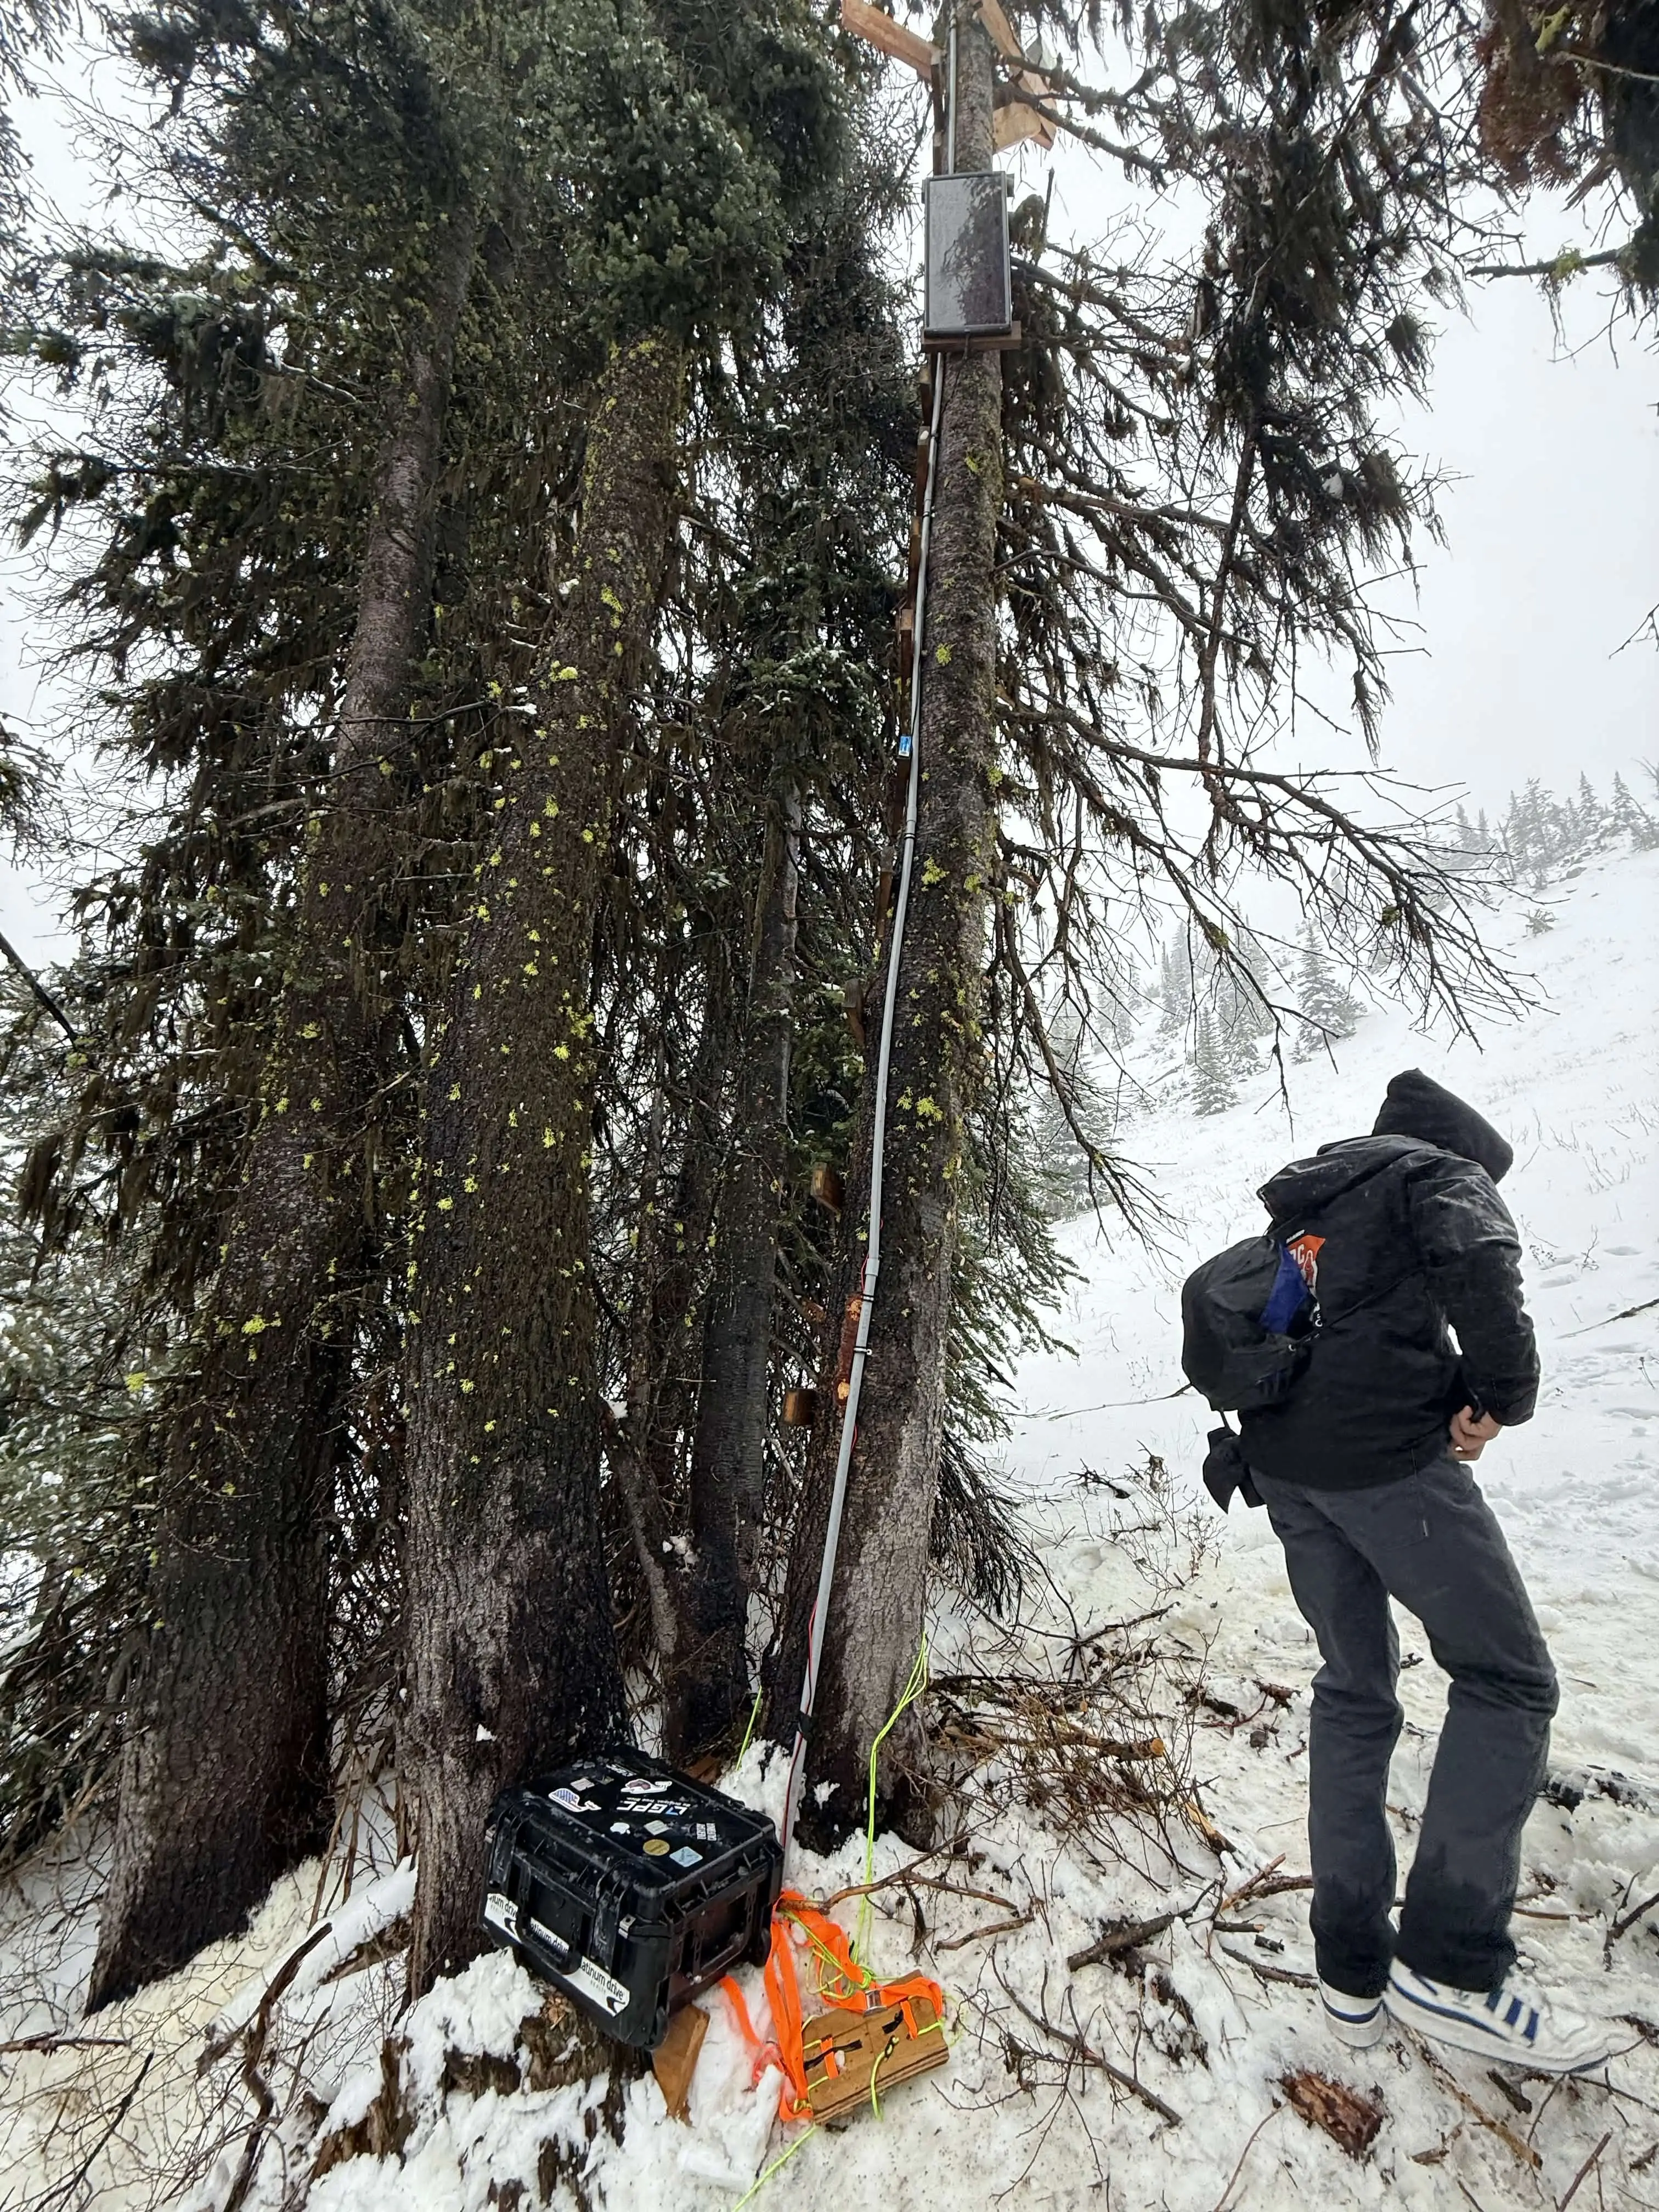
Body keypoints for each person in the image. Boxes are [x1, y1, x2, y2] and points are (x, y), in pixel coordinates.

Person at [1239, 1069, 1614, 2072]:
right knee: (1510, 1678)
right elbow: (1483, 1265)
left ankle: (1351, 1970)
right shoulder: (1438, 1174)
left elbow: (1318, 1334)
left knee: (1355, 1693)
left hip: (1287, 1468)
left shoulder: (1317, 1199)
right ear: (1460, 1153)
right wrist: (1500, 1398)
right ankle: (1453, 1966)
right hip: (1383, 1465)